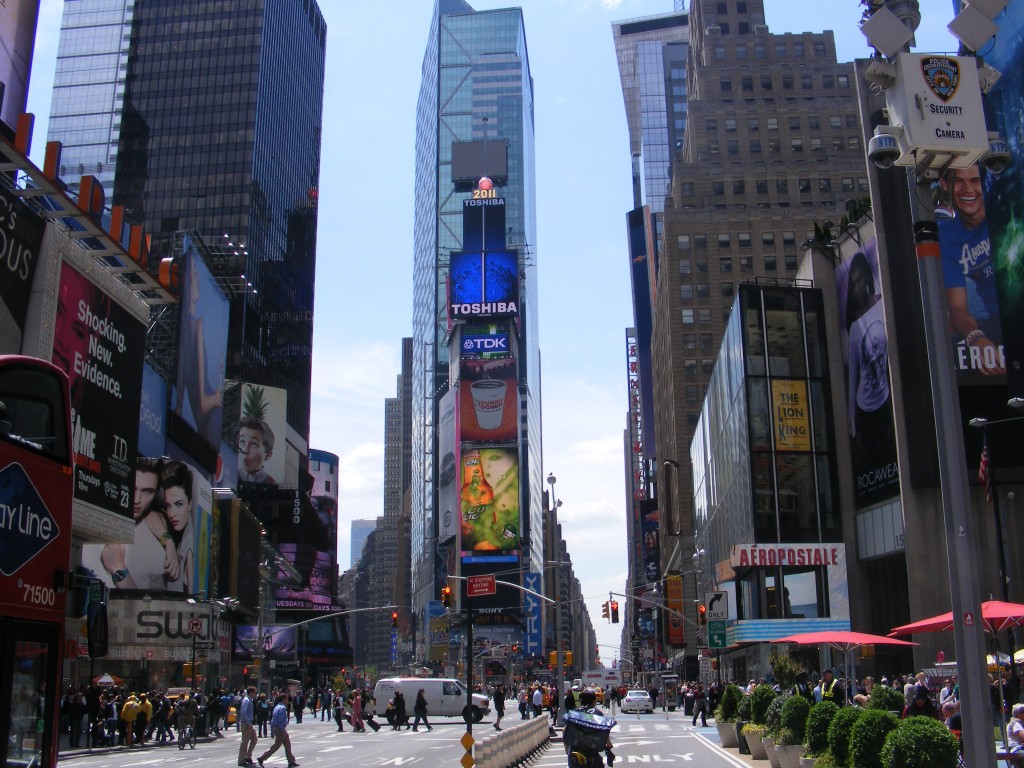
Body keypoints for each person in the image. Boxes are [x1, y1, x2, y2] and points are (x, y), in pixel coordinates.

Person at [938, 163, 1005, 376]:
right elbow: (957, 308)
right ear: (945, 185)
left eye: (975, 181)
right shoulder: (947, 237)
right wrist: (976, 338)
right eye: (959, 181)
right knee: (947, 339)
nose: (968, 189)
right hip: (997, 322)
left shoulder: (1007, 209)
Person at [844, 250, 894, 465]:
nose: (857, 287)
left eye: (859, 279)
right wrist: (853, 428)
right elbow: (852, 381)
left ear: (867, 277)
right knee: (875, 462)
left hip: (887, 399)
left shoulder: (884, 306)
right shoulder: (855, 329)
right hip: (864, 409)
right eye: (852, 283)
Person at [162, 462, 195, 593]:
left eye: (179, 504)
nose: (172, 514)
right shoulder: (181, 535)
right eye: (168, 506)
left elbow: (192, 595)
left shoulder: (188, 547)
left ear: (190, 504)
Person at [257, 694, 298, 767]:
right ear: (283, 699)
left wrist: (273, 730)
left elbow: (273, 719)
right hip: (280, 728)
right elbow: (279, 720)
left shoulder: (276, 707)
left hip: (278, 728)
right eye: (286, 699)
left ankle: (291, 761)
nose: (287, 700)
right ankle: (262, 758)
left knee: (287, 744)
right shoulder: (282, 708)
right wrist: (282, 728)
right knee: (276, 746)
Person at [238, 417, 278, 484]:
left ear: (268, 455)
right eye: (242, 441)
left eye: (253, 444)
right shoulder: (230, 477)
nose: (245, 450)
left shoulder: (273, 486)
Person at [238, 686, 257, 767]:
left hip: (249, 722)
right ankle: (241, 760)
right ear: (251, 692)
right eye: (255, 692)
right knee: (244, 742)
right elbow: (244, 713)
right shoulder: (247, 700)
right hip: (246, 723)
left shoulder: (250, 700)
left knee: (254, 739)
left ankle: (248, 757)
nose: (255, 694)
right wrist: (249, 724)